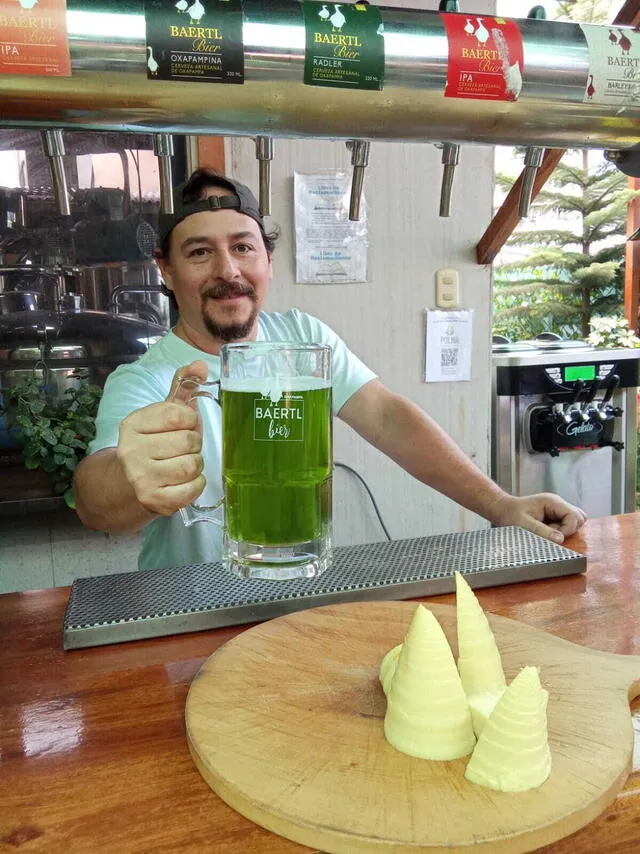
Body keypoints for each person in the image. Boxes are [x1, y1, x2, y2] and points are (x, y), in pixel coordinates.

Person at [73, 168, 586, 570]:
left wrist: (499, 505)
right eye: (200, 252)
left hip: (299, 590)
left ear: (268, 262)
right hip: (192, 611)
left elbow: (387, 416)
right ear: (166, 270)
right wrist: (128, 476)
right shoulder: (143, 380)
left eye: (243, 247)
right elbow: (97, 503)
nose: (228, 271)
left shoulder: (303, 338)